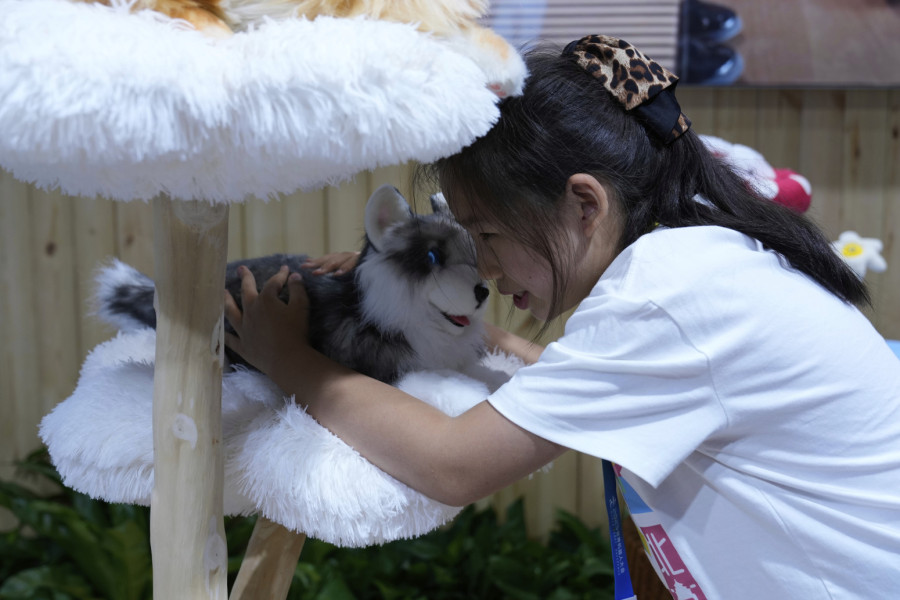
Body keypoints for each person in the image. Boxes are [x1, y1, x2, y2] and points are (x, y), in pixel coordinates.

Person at [224, 35, 900, 600]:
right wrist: (468, 331)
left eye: (486, 235)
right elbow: (598, 383)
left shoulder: (666, 295)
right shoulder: (698, 251)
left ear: (585, 205)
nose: (482, 269)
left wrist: (286, 356)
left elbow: (452, 464)